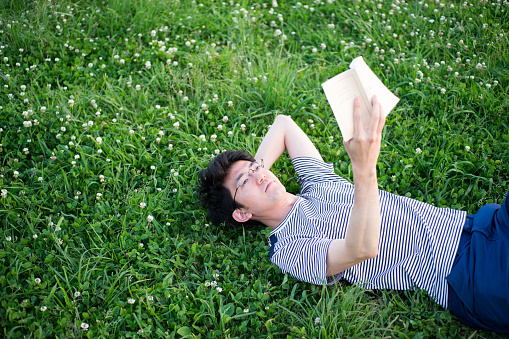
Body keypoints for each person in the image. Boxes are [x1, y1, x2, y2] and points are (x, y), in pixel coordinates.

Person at [197, 96, 509, 333]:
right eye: (244, 183)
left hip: (481, 224)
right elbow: (361, 248)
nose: (259, 175)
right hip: (466, 274)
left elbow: (283, 124)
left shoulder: (316, 182)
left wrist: (253, 174)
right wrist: (363, 168)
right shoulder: (288, 249)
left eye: (257, 167)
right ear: (241, 214)